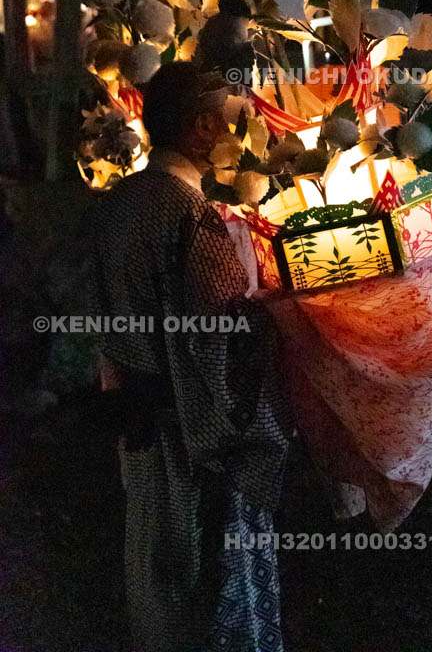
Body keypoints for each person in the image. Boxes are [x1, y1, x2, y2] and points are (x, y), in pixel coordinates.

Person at [87, 62, 290, 652]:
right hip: (190, 428)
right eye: (231, 119)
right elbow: (220, 336)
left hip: (137, 416)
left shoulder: (118, 201)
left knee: (153, 569)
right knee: (204, 579)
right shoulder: (190, 214)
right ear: (202, 127)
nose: (240, 129)